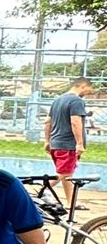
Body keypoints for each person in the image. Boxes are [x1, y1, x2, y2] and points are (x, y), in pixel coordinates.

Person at [45, 75, 91, 206]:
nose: (88, 92)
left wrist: (47, 141)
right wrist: (80, 144)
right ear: (82, 86)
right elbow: (75, 122)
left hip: (56, 143)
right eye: (88, 89)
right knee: (64, 173)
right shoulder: (76, 101)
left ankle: (71, 203)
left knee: (67, 174)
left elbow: (48, 122)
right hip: (67, 144)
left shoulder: (58, 100)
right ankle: (44, 189)